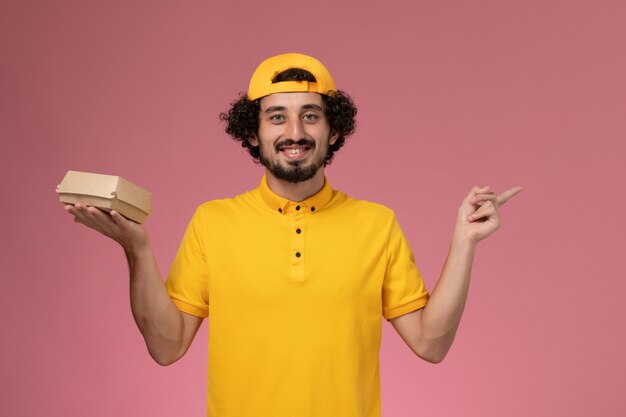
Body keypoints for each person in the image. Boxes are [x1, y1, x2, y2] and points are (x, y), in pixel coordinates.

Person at [64, 53, 522, 417]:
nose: (295, 132)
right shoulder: (212, 221)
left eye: (311, 115)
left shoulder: (377, 223)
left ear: (334, 129)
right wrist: (136, 248)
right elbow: (166, 347)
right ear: (253, 134)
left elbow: (431, 343)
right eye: (277, 117)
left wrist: (464, 242)